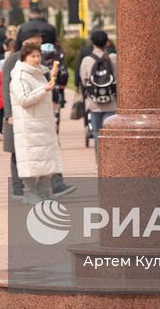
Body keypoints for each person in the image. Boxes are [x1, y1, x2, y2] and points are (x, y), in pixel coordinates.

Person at [9, 42, 69, 203]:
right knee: (31, 161)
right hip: (30, 125)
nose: (36, 59)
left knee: (46, 159)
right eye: (32, 56)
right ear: (24, 58)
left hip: (43, 124)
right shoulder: (20, 75)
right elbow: (24, 98)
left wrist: (49, 80)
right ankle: (30, 192)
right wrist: (44, 89)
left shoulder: (39, 73)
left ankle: (44, 190)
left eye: (38, 56)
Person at [77, 29, 118, 158]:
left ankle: (99, 161)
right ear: (107, 42)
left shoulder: (86, 60)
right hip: (111, 102)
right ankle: (110, 160)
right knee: (110, 133)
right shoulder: (113, 58)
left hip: (94, 102)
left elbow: (84, 81)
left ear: (92, 42)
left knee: (96, 133)